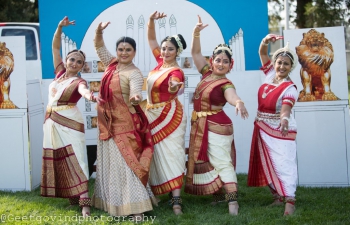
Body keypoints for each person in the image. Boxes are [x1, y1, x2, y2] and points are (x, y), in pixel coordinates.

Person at [91, 21, 157, 218]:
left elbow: (136, 88)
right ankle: (115, 204)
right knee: (112, 166)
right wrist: (98, 31)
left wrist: (136, 96)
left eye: (128, 50)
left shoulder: (134, 72)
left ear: (134, 52)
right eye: (120, 49)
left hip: (125, 125)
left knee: (128, 165)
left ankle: (137, 207)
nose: (124, 53)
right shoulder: (111, 65)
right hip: (107, 124)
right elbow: (98, 46)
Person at [184, 16, 248, 216]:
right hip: (202, 124)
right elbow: (195, 52)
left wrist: (238, 102)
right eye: (218, 60)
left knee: (221, 162)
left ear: (230, 65)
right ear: (212, 61)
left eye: (225, 61)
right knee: (210, 161)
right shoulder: (206, 74)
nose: (220, 64)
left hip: (216, 126)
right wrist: (196, 33)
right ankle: (218, 194)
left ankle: (232, 202)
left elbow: (232, 96)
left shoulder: (226, 83)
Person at [41, 16, 101, 217]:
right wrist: (58, 27)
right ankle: (72, 196)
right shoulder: (59, 74)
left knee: (77, 159)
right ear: (66, 61)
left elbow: (84, 91)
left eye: (79, 62)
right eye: (72, 59)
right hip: (52, 122)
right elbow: (55, 47)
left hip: (69, 122)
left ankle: (85, 203)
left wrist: (91, 96)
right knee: (61, 158)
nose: (74, 63)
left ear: (82, 66)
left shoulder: (79, 81)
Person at [247, 34, 298, 216]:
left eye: (286, 64)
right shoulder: (269, 74)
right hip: (262, 128)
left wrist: (284, 119)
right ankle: (277, 196)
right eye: (279, 62)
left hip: (280, 130)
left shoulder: (290, 88)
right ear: (274, 63)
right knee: (265, 163)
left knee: (284, 163)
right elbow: (262, 53)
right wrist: (265, 41)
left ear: (291, 67)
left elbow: (286, 108)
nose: (281, 66)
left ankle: (290, 201)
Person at [146, 11, 187, 215]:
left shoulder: (176, 71)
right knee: (154, 155)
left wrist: (173, 87)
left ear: (177, 51)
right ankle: (158, 192)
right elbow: (151, 38)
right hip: (151, 114)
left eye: (170, 49)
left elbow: (175, 86)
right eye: (163, 48)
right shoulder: (160, 63)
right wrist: (151, 21)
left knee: (173, 155)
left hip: (170, 116)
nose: (165, 51)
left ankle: (176, 200)